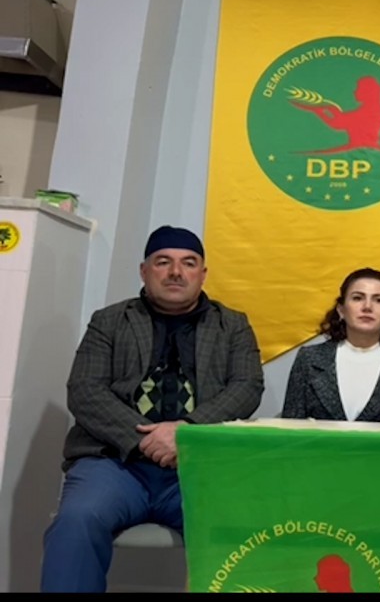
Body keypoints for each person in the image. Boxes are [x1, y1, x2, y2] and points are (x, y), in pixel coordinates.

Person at [41, 225, 265, 593]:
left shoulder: (233, 325)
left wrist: (184, 432)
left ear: (202, 274)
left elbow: (247, 387)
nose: (176, 272)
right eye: (163, 262)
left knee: (240, 524)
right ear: (144, 271)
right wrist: (147, 440)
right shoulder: (110, 320)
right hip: (114, 463)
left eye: (188, 263)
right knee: (77, 520)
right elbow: (85, 391)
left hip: (199, 466)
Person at [282, 268, 380, 423]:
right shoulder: (308, 359)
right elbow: (290, 429)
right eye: (357, 298)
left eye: (379, 300)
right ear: (341, 310)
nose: (367, 306)